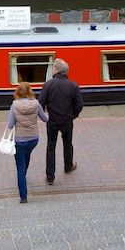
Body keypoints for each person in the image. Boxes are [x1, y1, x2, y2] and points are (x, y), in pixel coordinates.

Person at [38, 57, 83, 185]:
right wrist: (72, 115)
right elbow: (79, 105)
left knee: (51, 147)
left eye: (53, 68)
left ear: (56, 70)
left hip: (52, 121)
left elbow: (40, 103)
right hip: (67, 121)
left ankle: (50, 176)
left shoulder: (48, 85)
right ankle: (68, 165)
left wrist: (45, 116)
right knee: (67, 144)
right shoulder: (73, 85)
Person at [7, 82, 48, 203]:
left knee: (20, 166)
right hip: (33, 139)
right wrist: (47, 112)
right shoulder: (36, 104)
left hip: (20, 140)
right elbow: (45, 119)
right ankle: (23, 175)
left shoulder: (14, 106)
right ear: (30, 91)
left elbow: (10, 125)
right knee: (26, 157)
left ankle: (23, 197)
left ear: (17, 92)